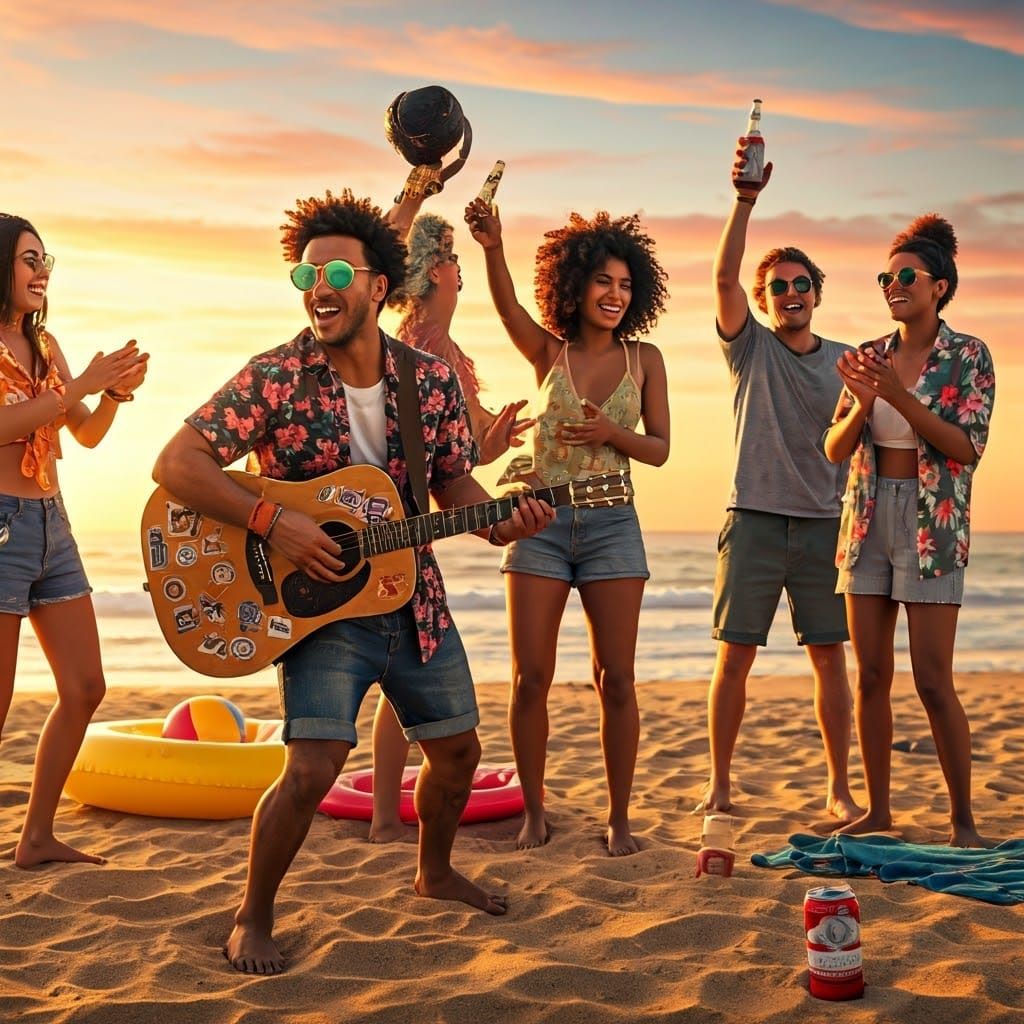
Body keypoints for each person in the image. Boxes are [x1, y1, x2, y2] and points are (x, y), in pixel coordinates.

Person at [152, 189, 554, 975]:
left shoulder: (428, 382)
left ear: (380, 286)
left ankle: (433, 872)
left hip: (414, 599)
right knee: (309, 770)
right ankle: (252, 914)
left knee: (461, 754)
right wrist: (276, 524)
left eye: (337, 271)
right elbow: (176, 465)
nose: (319, 288)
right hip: (315, 607)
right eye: (305, 276)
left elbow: (451, 485)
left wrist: (499, 518)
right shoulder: (274, 376)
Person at [463, 196, 671, 856]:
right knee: (530, 679)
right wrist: (493, 246)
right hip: (540, 525)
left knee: (617, 678)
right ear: (575, 285)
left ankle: (619, 818)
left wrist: (614, 432)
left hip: (614, 526)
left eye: (625, 284)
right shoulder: (548, 352)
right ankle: (533, 812)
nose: (614, 294)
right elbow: (505, 310)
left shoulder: (646, 360)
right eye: (603, 281)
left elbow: (661, 448)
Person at [825, 214, 995, 847]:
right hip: (866, 516)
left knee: (931, 679)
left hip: (933, 523)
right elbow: (834, 448)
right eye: (885, 277)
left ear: (939, 287)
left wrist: (898, 395)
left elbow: (966, 447)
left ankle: (964, 821)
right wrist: (866, 400)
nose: (893, 285)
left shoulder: (969, 355)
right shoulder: (869, 358)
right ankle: (878, 810)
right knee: (870, 675)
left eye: (906, 275)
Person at [702, 143, 861, 821]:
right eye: (779, 287)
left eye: (802, 285)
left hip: (827, 526)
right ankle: (720, 785)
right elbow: (722, 280)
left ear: (817, 294)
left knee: (831, 660)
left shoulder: (851, 362)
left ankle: (839, 786)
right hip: (755, 521)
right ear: (764, 302)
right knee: (734, 658)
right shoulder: (750, 347)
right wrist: (745, 199)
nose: (792, 294)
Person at [369, 209, 534, 842]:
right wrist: (484, 451)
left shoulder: (436, 343)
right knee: (399, 666)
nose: (461, 273)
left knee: (397, 666)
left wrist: (490, 443)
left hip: (400, 514)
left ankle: (386, 814)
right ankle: (386, 817)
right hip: (397, 521)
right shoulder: (428, 344)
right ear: (437, 268)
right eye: (456, 260)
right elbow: (447, 463)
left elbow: (455, 455)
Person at [0, 213, 147, 867]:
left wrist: (113, 393)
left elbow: (83, 433)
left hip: (52, 525)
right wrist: (82, 385)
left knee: (86, 686)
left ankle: (35, 837)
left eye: (45, 259)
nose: (42, 270)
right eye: (30, 259)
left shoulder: (46, 344)